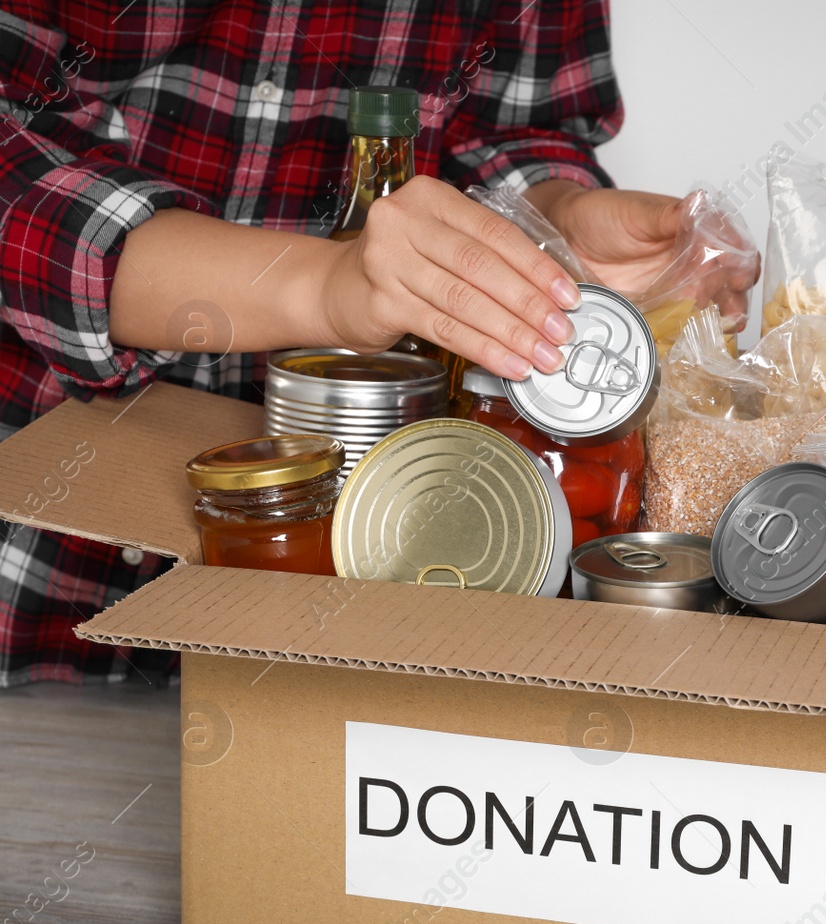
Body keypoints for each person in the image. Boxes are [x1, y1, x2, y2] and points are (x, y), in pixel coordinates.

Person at [0, 1, 755, 687]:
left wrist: (553, 230)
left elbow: (515, 131)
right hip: (33, 561)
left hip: (360, 590)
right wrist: (319, 286)